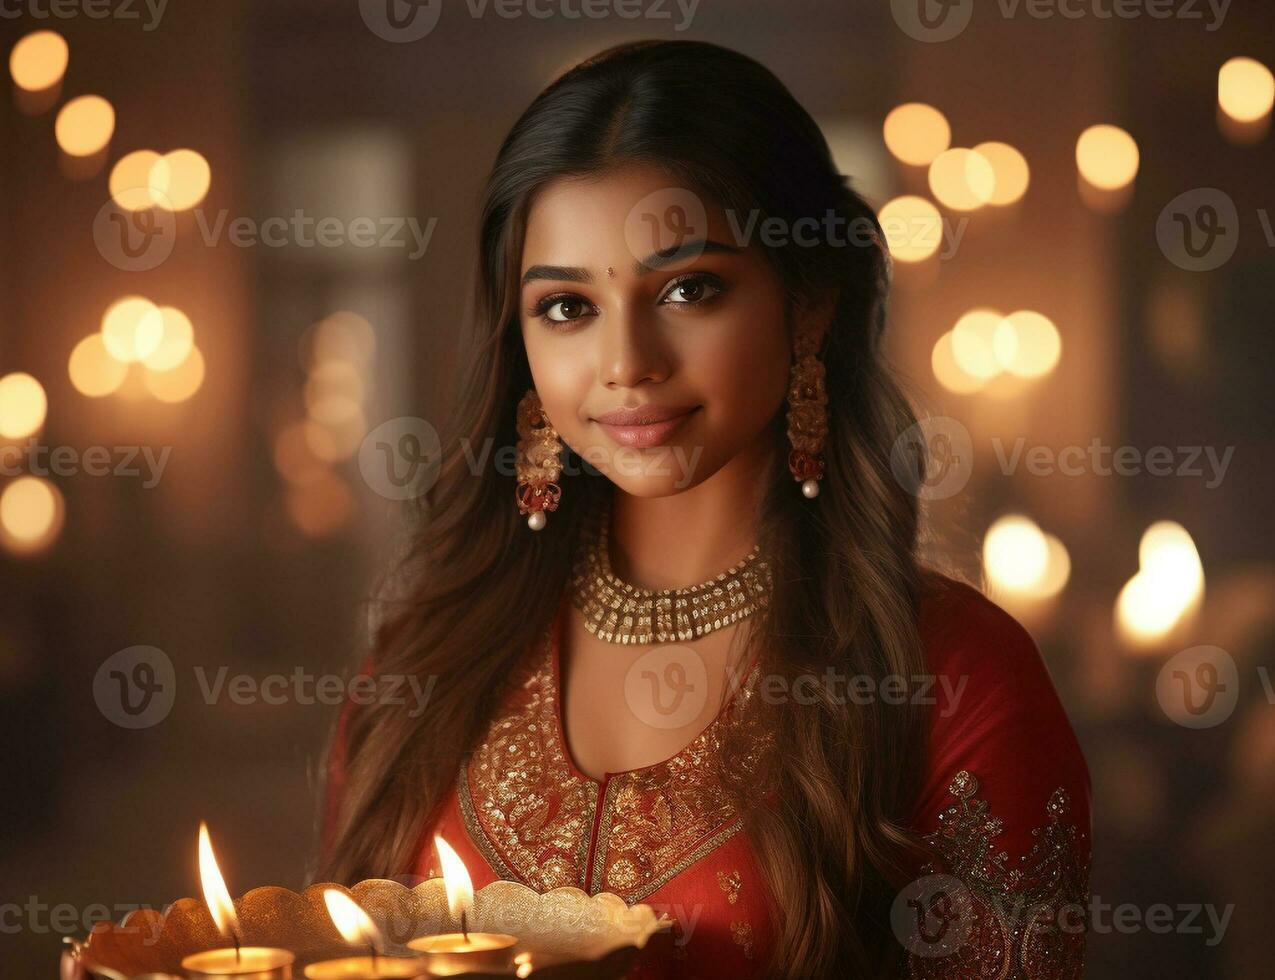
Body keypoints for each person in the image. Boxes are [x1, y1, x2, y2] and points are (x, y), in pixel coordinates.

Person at [319, 39, 1091, 979]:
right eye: (566, 307)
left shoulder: (956, 684)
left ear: (806, 305)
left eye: (689, 288)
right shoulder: (419, 670)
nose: (627, 360)